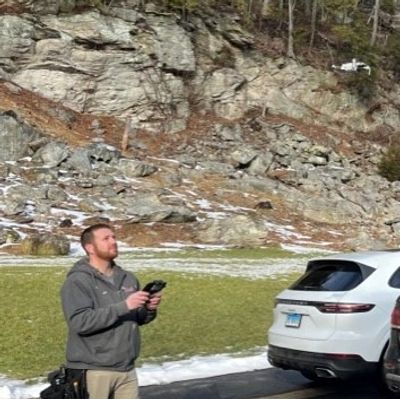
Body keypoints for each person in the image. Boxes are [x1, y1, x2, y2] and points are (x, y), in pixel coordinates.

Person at [61, 223, 162, 399]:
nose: (113, 242)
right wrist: (125, 305)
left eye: (114, 237)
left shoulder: (128, 278)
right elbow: (80, 322)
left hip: (127, 369)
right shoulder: (78, 281)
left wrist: (148, 309)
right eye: (106, 238)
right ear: (90, 248)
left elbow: (135, 318)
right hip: (94, 370)